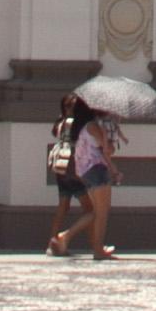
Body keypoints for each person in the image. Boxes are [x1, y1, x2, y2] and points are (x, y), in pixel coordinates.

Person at [64, 103, 122, 260]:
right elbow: (108, 150)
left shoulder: (84, 128)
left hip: (86, 171)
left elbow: (100, 152)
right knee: (102, 213)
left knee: (96, 212)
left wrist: (113, 169)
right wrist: (109, 136)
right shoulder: (93, 127)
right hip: (96, 171)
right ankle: (97, 249)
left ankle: (65, 237)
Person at [46, 94, 95, 254]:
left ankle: (52, 242)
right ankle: (69, 239)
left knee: (63, 206)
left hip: (61, 167)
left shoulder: (59, 123)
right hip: (74, 167)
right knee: (90, 210)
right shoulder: (76, 124)